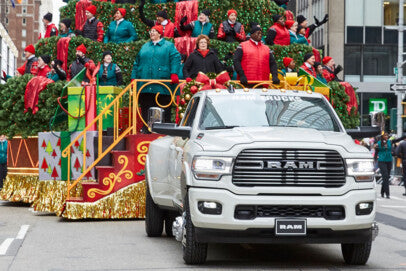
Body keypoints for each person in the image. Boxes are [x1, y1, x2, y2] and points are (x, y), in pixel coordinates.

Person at [131, 25, 181, 124]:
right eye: (151, 31)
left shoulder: (168, 45)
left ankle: (164, 127)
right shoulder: (145, 46)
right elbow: (136, 63)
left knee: (164, 106)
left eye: (154, 31)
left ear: (159, 33)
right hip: (145, 83)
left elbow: (176, 58)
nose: (152, 33)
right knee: (145, 106)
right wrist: (134, 77)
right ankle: (146, 127)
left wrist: (174, 73)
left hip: (162, 84)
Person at [374, 132, 405, 198]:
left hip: (389, 161)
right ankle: (387, 194)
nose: (386, 136)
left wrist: (404, 136)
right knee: (385, 177)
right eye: (385, 135)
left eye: (387, 135)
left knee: (386, 177)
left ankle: (382, 192)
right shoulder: (378, 143)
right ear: (382, 136)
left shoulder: (390, 142)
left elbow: (398, 139)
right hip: (381, 161)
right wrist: (374, 161)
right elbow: (376, 153)